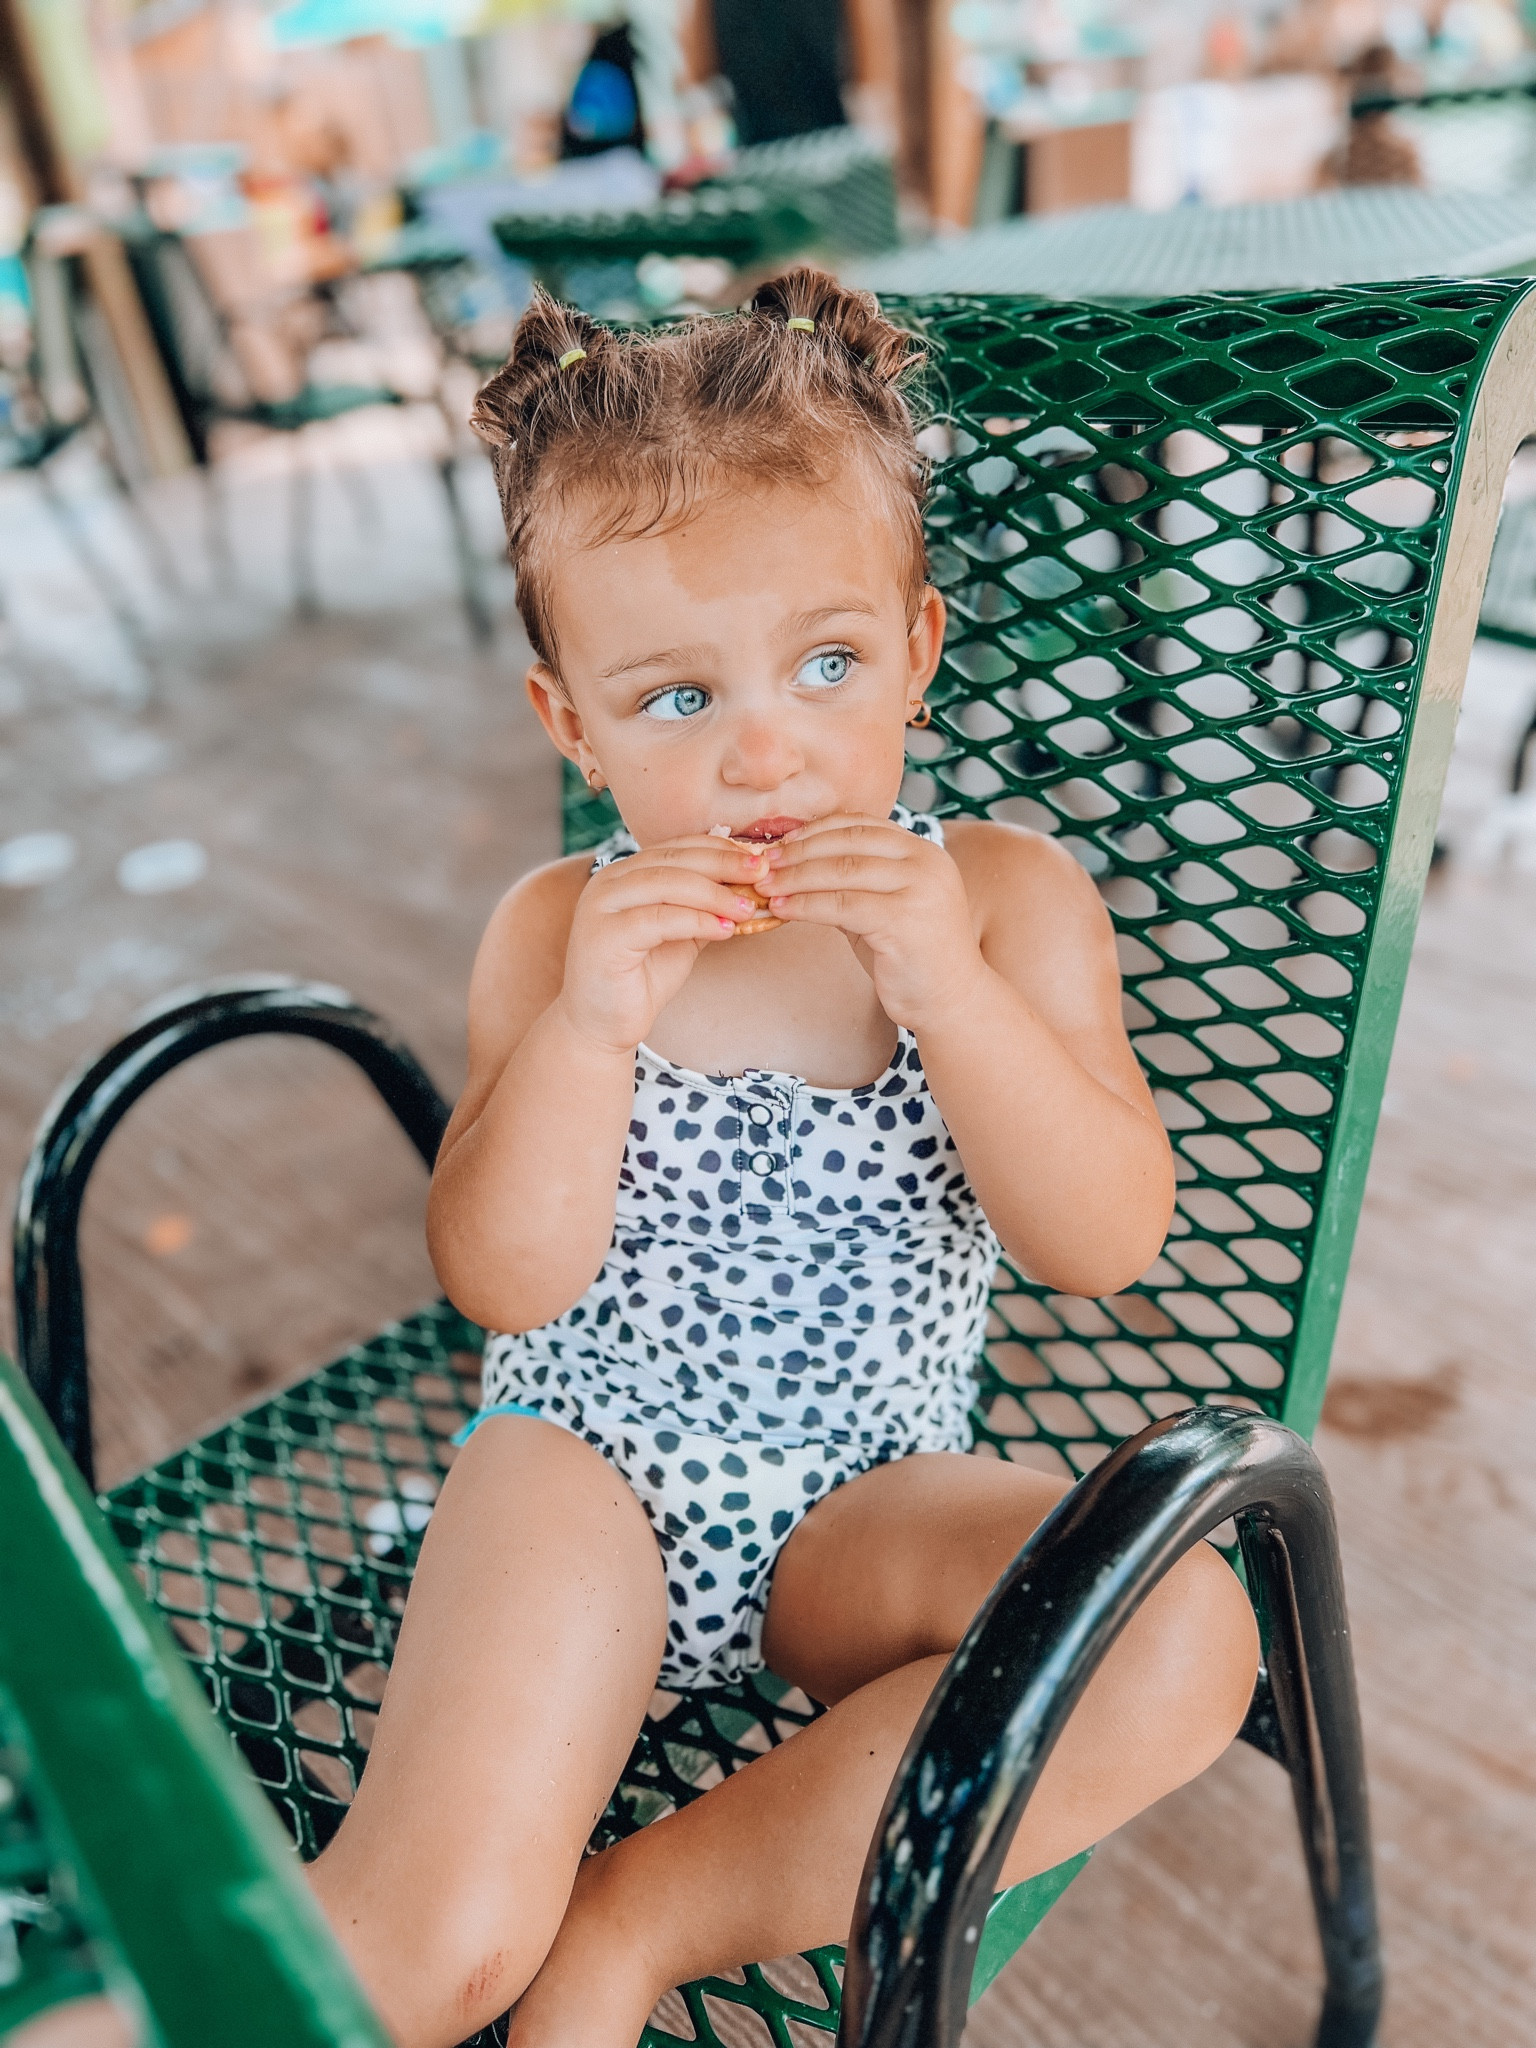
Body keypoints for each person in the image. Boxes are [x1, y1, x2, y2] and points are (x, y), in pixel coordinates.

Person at [309, 268, 1261, 2048]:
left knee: (1183, 1633)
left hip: (860, 1507)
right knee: (425, 1951)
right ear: (571, 724)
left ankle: (640, 1918)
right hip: (581, 1475)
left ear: (917, 646)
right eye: (676, 699)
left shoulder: (1006, 901)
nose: (766, 752)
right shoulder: (555, 930)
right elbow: (502, 1281)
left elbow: (1104, 1239)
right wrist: (587, 1027)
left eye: (827, 665)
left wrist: (948, 990)